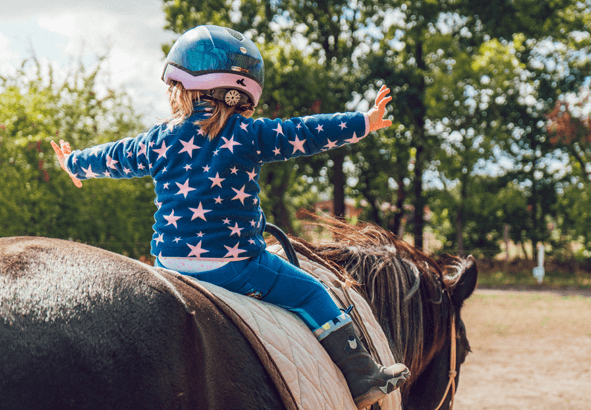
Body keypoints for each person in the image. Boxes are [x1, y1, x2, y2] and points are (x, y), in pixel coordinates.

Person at [52, 25, 409, 408]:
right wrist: (364, 122)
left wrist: (75, 163)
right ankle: (363, 376)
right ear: (244, 95)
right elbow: (306, 131)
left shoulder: (158, 138)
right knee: (311, 292)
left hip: (169, 266)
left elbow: (116, 157)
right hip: (236, 267)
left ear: (181, 87)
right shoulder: (249, 134)